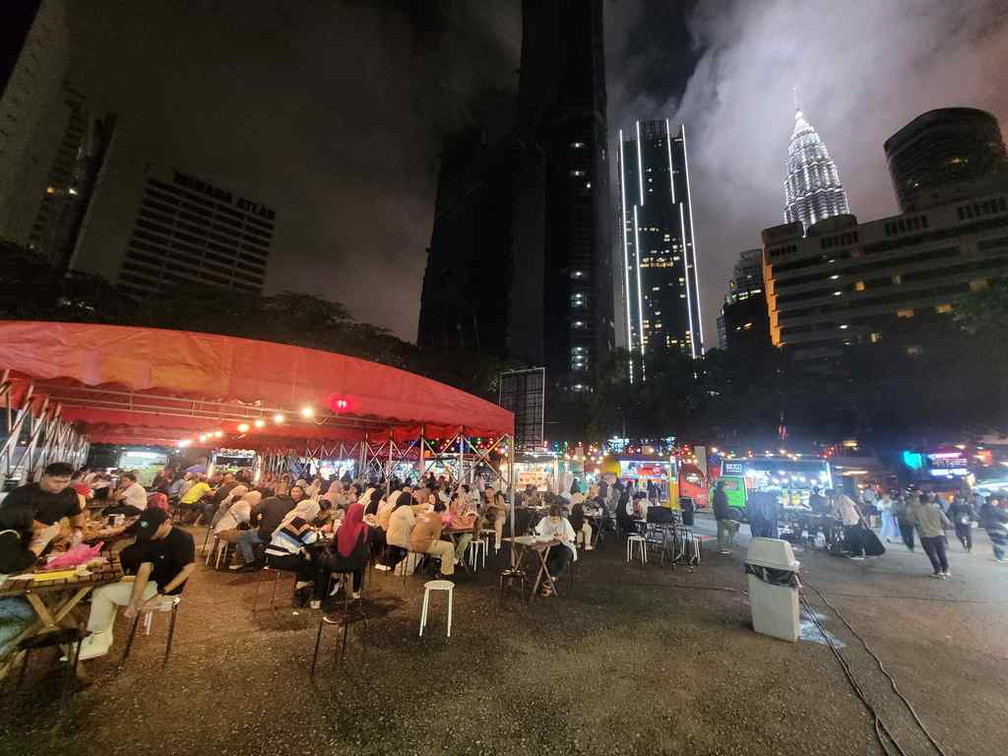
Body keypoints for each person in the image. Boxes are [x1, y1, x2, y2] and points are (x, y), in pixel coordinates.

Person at [78, 509, 195, 660]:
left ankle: (99, 640)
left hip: (165, 590)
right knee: (103, 591)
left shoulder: (182, 538)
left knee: (102, 593)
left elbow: (188, 568)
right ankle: (99, 638)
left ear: (167, 523)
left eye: (153, 530)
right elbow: (144, 570)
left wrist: (160, 594)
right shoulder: (149, 536)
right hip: (152, 582)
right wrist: (133, 602)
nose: (149, 534)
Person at [0, 462, 85, 552]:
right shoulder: (21, 493)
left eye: (66, 481)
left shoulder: (69, 493)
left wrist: (77, 530)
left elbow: (76, 513)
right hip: (16, 541)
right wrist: (51, 531)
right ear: (44, 476)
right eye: (56, 481)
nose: (61, 486)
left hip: (45, 541)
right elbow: (12, 517)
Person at [230, 485, 303, 571]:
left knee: (243, 536)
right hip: (282, 535)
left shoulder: (268, 501)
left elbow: (253, 512)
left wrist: (255, 523)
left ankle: (250, 562)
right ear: (288, 493)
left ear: (276, 491)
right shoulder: (294, 505)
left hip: (265, 533)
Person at [312, 502, 370, 608]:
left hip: (339, 564)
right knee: (358, 558)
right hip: (358, 565)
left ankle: (317, 599)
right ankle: (356, 592)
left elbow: (333, 547)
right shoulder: (367, 529)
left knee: (322, 564)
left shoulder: (341, 528)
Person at [263, 501, 320, 604]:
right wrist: (321, 532)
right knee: (312, 560)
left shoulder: (291, 517)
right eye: (316, 512)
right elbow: (311, 539)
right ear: (309, 510)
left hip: (272, 557)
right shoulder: (299, 521)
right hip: (282, 559)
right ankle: (303, 585)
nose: (316, 515)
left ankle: (301, 584)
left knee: (307, 555)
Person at [534, 505, 577, 595]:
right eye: (553, 519)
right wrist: (546, 535)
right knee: (545, 557)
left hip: (563, 545)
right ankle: (548, 582)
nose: (555, 521)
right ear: (549, 516)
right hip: (548, 545)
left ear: (560, 517)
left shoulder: (564, 522)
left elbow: (572, 536)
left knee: (566, 553)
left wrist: (565, 536)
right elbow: (538, 532)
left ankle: (553, 577)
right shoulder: (545, 520)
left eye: (557, 519)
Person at [910, 493, 952, 578]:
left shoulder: (916, 511)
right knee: (941, 553)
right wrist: (941, 527)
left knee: (932, 554)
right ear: (929, 500)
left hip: (925, 535)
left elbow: (912, 522)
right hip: (938, 534)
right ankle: (946, 570)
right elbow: (947, 522)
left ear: (920, 501)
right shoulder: (937, 509)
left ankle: (938, 571)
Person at [410, 507, 455, 578]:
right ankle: (445, 574)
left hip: (412, 542)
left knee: (441, 546)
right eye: (444, 513)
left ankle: (435, 565)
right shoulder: (437, 518)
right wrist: (443, 526)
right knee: (449, 547)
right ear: (441, 512)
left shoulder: (426, 514)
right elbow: (437, 537)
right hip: (422, 544)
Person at [378, 492, 416, 571]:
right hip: (400, 539)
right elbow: (412, 524)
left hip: (390, 536)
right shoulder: (406, 508)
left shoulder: (395, 508)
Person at [831, 489, 865, 560]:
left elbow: (856, 506)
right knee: (850, 537)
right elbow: (834, 511)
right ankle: (854, 552)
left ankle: (859, 554)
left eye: (830, 496)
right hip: (847, 521)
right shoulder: (836, 501)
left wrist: (862, 518)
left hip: (854, 520)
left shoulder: (843, 497)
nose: (830, 497)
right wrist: (834, 515)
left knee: (855, 537)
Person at [980, 496, 1008, 563]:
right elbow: (1004, 516)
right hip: (996, 526)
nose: (997, 502)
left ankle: (999, 556)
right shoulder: (993, 508)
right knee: (1000, 541)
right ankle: (999, 557)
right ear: (992, 501)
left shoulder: (984, 508)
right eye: (996, 500)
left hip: (989, 527)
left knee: (996, 542)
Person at [712, 480, 735, 554]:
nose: (726, 487)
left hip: (719, 516)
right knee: (731, 529)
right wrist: (725, 517)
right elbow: (723, 507)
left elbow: (716, 506)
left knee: (720, 532)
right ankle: (726, 545)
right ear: (722, 486)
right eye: (725, 486)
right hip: (723, 516)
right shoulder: (721, 494)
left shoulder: (716, 494)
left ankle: (721, 547)